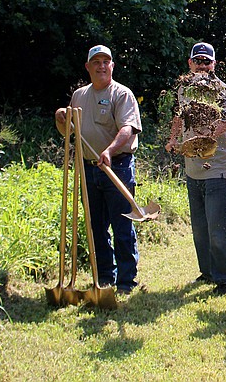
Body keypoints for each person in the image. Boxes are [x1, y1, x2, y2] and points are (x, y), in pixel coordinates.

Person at [55, 45, 142, 294]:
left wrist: (110, 151)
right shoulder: (79, 95)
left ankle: (126, 281)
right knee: (96, 226)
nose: (101, 66)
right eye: (96, 62)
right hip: (89, 169)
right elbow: (69, 133)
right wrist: (62, 117)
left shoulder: (122, 94)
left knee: (122, 224)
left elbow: (127, 129)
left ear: (112, 66)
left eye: (106, 61)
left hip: (118, 166)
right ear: (88, 67)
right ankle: (105, 277)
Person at [165, 42, 226, 295]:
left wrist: (204, 137)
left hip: (220, 167)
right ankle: (208, 272)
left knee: (217, 226)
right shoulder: (185, 89)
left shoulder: (222, 91)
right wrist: (174, 139)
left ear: (214, 64)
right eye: (198, 61)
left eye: (207, 61)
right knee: (199, 226)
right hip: (193, 168)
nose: (202, 65)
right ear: (190, 64)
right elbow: (178, 115)